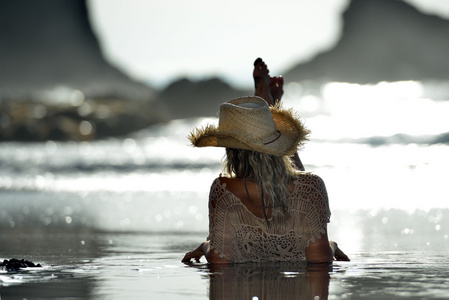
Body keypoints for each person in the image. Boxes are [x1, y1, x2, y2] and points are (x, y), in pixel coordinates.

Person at [182, 58, 349, 264]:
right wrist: (330, 246)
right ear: (279, 146)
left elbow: (220, 261)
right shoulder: (312, 188)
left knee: (299, 189)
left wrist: (205, 246)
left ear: (231, 151)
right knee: (300, 188)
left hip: (243, 287)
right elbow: (320, 261)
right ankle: (269, 110)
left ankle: (268, 108)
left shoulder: (224, 191)